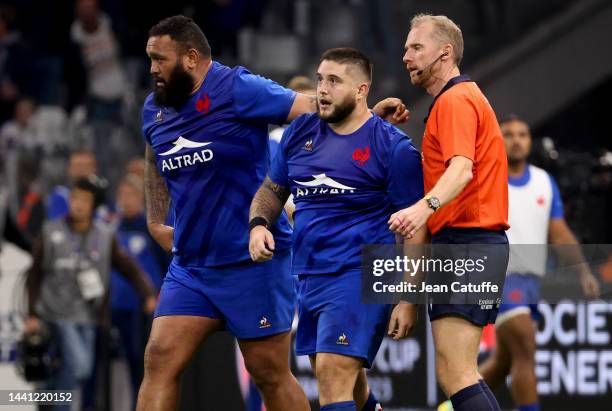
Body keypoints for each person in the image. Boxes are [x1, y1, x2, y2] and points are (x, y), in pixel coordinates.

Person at [137, 15, 407, 411]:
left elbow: (308, 106)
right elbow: (153, 155)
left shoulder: (236, 87)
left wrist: (365, 113)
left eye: (160, 59)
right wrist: (155, 220)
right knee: (159, 359)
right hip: (192, 266)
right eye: (150, 59)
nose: (152, 69)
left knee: (269, 373)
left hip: (254, 259)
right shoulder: (154, 108)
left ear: (191, 57)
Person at [249, 48, 424, 411]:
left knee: (331, 375)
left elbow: (416, 227)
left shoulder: (393, 148)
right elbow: (272, 189)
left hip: (362, 272)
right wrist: (259, 224)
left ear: (361, 90)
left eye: (333, 81)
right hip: (310, 273)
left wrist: (408, 297)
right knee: (346, 380)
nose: (322, 89)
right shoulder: (300, 133)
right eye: (319, 79)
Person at [390, 14, 509, 411]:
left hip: (468, 243)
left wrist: (421, 209)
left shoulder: (456, 99)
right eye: (406, 47)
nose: (405, 55)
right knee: (457, 373)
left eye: (415, 47)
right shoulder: (453, 100)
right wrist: (409, 297)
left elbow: (461, 171)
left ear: (445, 52)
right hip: (463, 244)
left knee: (456, 373)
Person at [474, 115, 600, 411]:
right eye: (508, 134)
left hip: (531, 282)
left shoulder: (544, 182)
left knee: (505, 361)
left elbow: (559, 231)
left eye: (522, 134)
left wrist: (583, 271)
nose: (516, 140)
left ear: (530, 142)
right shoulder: (486, 178)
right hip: (498, 279)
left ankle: (451, 407)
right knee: (526, 349)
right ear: (497, 139)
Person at [24, 176, 156, 411]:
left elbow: (128, 267)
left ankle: (48, 399)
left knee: (72, 370)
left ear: (94, 203)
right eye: (74, 198)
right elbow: (33, 276)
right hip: (54, 315)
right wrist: (32, 315)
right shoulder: (50, 230)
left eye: (84, 200)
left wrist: (147, 294)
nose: (78, 204)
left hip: (88, 316)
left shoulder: (105, 236)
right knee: (79, 366)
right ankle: (57, 405)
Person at [111, 174, 168, 407]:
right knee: (118, 363)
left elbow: (166, 264)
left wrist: (157, 296)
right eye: (122, 195)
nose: (126, 200)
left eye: (131, 195)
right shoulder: (112, 229)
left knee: (142, 360)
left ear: (142, 198)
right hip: (115, 305)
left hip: (144, 306)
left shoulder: (151, 229)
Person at [47, 149, 98, 220]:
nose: (81, 171)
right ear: (69, 169)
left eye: (86, 166)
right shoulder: (60, 196)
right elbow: (56, 226)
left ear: (94, 169)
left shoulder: (102, 196)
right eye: (77, 166)